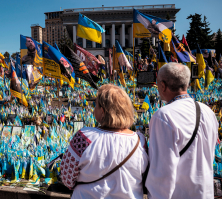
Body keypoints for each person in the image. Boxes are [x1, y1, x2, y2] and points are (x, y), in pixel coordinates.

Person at [60, 84, 148, 199]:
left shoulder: (84, 137)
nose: (93, 108)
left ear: (102, 111)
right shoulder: (140, 141)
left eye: (95, 105)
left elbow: (67, 178)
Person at [146, 63, 218, 199]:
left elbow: (162, 171)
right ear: (187, 83)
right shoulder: (208, 111)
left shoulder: (163, 116)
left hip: (179, 194)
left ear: (162, 85)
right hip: (205, 192)